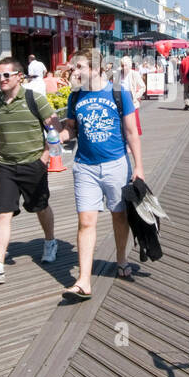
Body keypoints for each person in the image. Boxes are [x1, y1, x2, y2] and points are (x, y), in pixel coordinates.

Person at [58, 50, 144, 299]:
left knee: (119, 216)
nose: (75, 72)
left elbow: (131, 132)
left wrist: (138, 167)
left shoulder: (119, 93)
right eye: (74, 68)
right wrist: (57, 133)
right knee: (86, 221)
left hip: (116, 164)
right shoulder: (76, 96)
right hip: (85, 166)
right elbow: (71, 131)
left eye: (80, 67)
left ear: (97, 69)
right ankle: (83, 280)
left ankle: (120, 258)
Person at [0, 58, 59, 283]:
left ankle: (50, 241)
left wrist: (45, 156)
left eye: (6, 75)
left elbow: (55, 128)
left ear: (19, 77)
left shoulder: (35, 99)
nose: (1, 79)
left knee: (40, 207)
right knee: (2, 212)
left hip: (33, 163)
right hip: (5, 166)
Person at [118, 56, 145, 136]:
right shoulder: (118, 74)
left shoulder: (134, 74)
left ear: (129, 66)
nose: (124, 67)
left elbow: (143, 87)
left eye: (125, 65)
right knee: (123, 122)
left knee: (134, 122)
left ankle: (134, 139)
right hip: (121, 101)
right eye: (122, 65)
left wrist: (135, 96)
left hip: (132, 101)